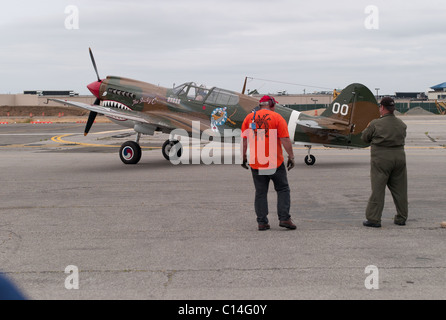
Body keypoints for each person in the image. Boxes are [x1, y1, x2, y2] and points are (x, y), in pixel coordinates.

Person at [241, 95, 296, 231]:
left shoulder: (249, 118)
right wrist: (291, 156)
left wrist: (243, 157)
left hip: (256, 162)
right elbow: (285, 139)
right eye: (274, 104)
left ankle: (262, 222)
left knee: (261, 192)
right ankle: (284, 218)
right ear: (271, 104)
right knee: (282, 189)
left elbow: (244, 140)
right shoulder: (277, 117)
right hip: (274, 162)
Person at [361, 97, 408, 228]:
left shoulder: (375, 124)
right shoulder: (401, 124)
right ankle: (401, 217)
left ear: (382, 107)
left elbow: (365, 138)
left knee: (378, 189)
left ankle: (374, 219)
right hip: (399, 158)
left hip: (381, 160)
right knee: (400, 190)